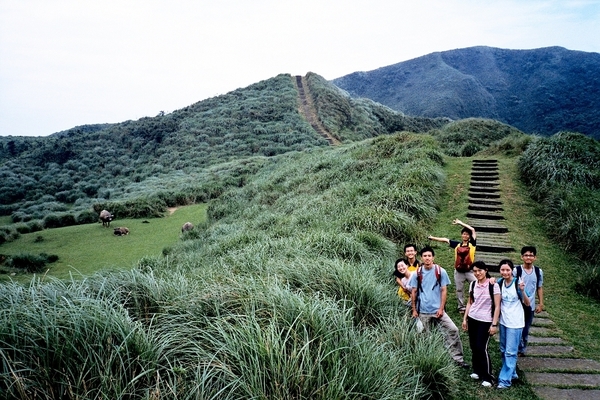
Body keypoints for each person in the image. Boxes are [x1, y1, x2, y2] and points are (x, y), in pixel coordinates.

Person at [409, 246, 470, 369]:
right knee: (424, 336)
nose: (427, 258)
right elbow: (414, 292)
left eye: (429, 256)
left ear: (433, 257)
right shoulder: (417, 273)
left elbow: (444, 290)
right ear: (421, 257)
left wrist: (441, 308)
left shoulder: (440, 271)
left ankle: (457, 358)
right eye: (425, 256)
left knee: (453, 330)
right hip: (423, 311)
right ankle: (426, 360)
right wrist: (414, 310)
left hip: (438, 310)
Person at [461, 261, 501, 388]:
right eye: (475, 271)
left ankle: (488, 376)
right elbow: (470, 302)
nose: (477, 273)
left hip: (486, 320)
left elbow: (497, 306)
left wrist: (494, 324)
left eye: (480, 270)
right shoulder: (473, 284)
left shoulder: (493, 285)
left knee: (481, 347)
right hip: (473, 318)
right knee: (473, 346)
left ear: (486, 270)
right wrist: (465, 319)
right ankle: (477, 371)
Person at [428, 219, 477, 313]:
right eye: (463, 234)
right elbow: (446, 240)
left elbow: (473, 230)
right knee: (459, 289)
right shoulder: (457, 244)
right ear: (461, 235)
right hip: (458, 271)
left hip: (470, 271)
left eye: (467, 234)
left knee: (476, 286)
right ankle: (461, 306)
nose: (465, 235)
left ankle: (475, 304)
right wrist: (432, 238)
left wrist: (460, 223)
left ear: (469, 236)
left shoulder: (472, 244)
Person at [496, 259, 530, 390]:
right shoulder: (500, 283)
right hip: (503, 321)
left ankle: (504, 380)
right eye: (502, 270)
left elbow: (527, 303)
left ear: (512, 271)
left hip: (515, 323)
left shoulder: (517, 283)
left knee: (510, 352)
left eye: (507, 270)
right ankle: (513, 373)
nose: (505, 272)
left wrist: (522, 290)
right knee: (504, 350)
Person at [513, 246, 544, 357]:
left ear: (535, 257)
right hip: (517, 304)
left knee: (526, 328)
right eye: (526, 255)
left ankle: (522, 349)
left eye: (531, 255)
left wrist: (541, 303)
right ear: (522, 257)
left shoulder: (538, 271)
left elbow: (539, 287)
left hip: (530, 306)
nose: (528, 257)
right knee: (516, 327)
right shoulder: (517, 270)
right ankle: (513, 347)